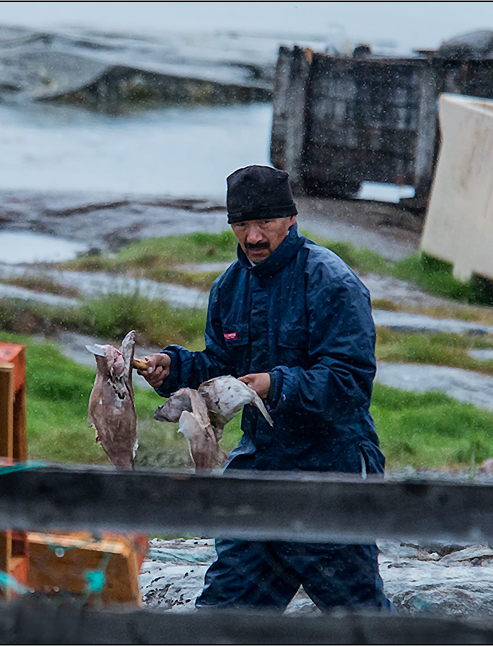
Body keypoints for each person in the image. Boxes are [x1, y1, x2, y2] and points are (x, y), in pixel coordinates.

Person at [138, 164, 393, 612]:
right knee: (223, 622)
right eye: (242, 224)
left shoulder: (332, 281)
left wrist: (276, 384)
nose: (253, 237)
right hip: (257, 473)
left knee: (360, 623)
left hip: (331, 471)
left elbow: (351, 383)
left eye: (265, 223)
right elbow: (219, 368)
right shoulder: (227, 289)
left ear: (291, 218)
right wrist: (174, 368)